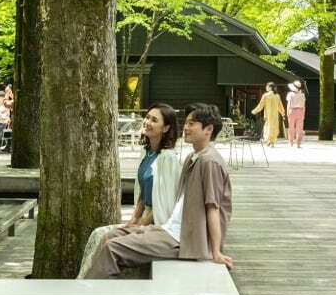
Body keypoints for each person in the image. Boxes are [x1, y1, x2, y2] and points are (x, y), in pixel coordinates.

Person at [81, 103, 233, 278]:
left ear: (208, 129)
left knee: (112, 248)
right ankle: (98, 290)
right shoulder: (193, 157)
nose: (185, 127)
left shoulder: (210, 162)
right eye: (186, 123)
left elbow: (213, 208)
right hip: (169, 228)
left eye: (192, 124)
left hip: (181, 239)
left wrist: (216, 251)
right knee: (110, 236)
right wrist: (137, 220)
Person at [77, 105, 183, 274]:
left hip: (158, 221)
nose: (147, 122)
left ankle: (90, 288)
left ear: (166, 128)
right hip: (143, 216)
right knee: (102, 235)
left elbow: (165, 203)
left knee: (110, 242)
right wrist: (134, 218)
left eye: (154, 120)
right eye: (147, 117)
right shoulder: (146, 153)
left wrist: (142, 223)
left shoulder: (167, 158)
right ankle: (86, 281)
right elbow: (142, 192)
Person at [285, 80, 307, 148]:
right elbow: (304, 105)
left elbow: (288, 104)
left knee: (291, 128)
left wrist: (287, 112)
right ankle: (298, 144)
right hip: (300, 111)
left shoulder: (290, 94)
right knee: (299, 129)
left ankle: (291, 143)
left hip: (292, 111)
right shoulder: (302, 95)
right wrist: (303, 114)